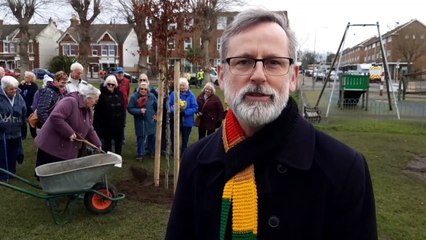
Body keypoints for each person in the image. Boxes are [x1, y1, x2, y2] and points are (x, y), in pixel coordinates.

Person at [166, 9, 377, 239]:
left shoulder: (344, 170)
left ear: (293, 76)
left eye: (273, 62)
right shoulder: (196, 161)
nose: (258, 75)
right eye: (244, 62)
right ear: (222, 76)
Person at [34, 84, 101, 168]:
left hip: (67, 149)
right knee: (52, 176)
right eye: (96, 100)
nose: (96, 102)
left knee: (63, 177)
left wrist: (97, 144)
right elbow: (55, 117)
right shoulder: (70, 101)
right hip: (52, 147)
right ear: (88, 98)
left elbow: (89, 128)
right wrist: (69, 132)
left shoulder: (88, 109)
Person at [0, 76, 26, 181]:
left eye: (15, 88)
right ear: (4, 88)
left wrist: (23, 126)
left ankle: (12, 172)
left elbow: (23, 110)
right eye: (11, 89)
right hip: (2, 133)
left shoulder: (18, 96)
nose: (14, 91)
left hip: (16, 131)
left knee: (13, 153)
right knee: (2, 154)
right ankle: (3, 174)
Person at [93, 75, 126, 155]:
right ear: (105, 84)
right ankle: (109, 159)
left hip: (118, 124)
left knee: (119, 142)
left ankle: (118, 158)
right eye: (109, 84)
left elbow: (123, 108)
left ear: (115, 85)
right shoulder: (101, 95)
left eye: (113, 84)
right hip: (106, 124)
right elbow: (97, 111)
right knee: (107, 143)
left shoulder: (120, 94)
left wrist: (123, 121)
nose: (111, 86)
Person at [128, 81, 157, 161]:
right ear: (139, 89)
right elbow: (130, 108)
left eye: (145, 89)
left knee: (152, 136)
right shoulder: (134, 97)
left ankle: (152, 152)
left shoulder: (152, 96)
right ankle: (140, 154)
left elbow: (157, 106)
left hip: (150, 120)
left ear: (147, 89)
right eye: (141, 89)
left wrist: (157, 115)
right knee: (140, 137)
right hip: (140, 121)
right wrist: (139, 111)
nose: (143, 90)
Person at [169, 77, 198, 156]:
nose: (183, 88)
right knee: (174, 137)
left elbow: (195, 107)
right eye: (181, 86)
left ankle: (184, 153)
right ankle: (174, 151)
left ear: (187, 86)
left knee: (185, 138)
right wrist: (175, 111)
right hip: (175, 120)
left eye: (184, 86)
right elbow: (169, 105)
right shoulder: (173, 94)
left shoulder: (191, 95)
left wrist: (185, 112)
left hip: (187, 121)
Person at [18, 71, 39, 138]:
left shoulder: (34, 86)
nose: (25, 78)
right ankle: (23, 135)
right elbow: (17, 92)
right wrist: (21, 85)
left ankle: (34, 134)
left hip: (30, 106)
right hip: (22, 105)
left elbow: (35, 96)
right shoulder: (22, 85)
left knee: (31, 120)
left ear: (31, 78)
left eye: (27, 77)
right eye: (25, 76)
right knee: (23, 120)